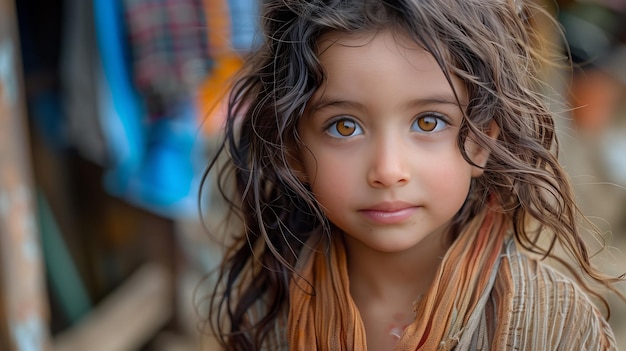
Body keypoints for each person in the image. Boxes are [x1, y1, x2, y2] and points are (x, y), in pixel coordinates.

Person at [203, 0, 624, 349]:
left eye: (428, 122)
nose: (388, 170)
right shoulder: (267, 311)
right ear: (293, 150)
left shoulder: (551, 322)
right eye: (344, 126)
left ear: (482, 141)